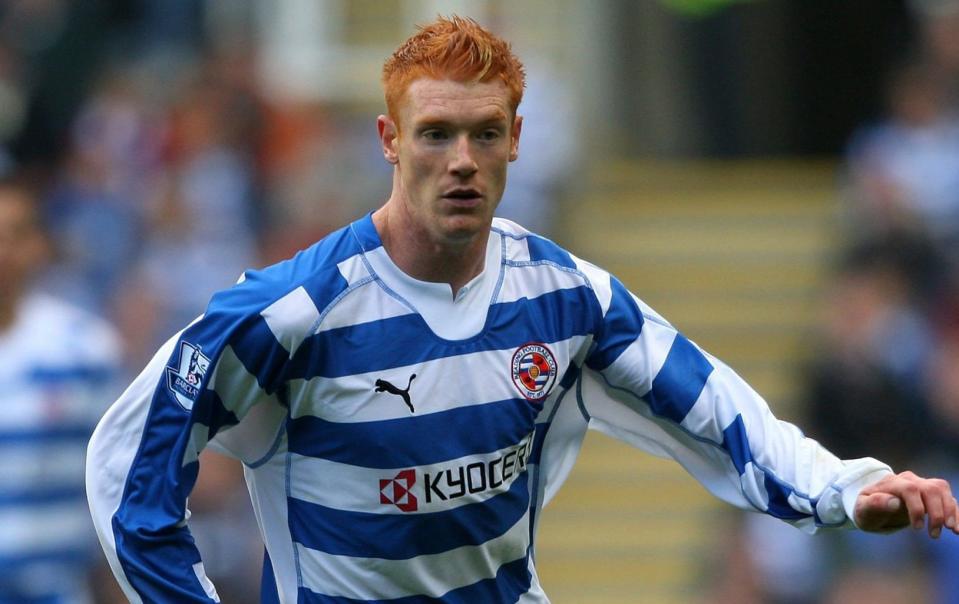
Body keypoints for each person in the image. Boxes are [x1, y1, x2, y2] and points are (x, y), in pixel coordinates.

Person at [87, 15, 959, 603]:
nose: (461, 160)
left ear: (516, 140)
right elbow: (129, 466)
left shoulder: (565, 297)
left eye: (485, 133)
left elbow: (718, 411)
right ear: (390, 142)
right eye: (435, 134)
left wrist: (845, 489)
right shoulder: (289, 312)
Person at [0, 179, 122, 603]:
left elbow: (118, 479)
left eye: (15, 235)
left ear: (39, 245)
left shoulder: (84, 350)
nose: (3, 253)